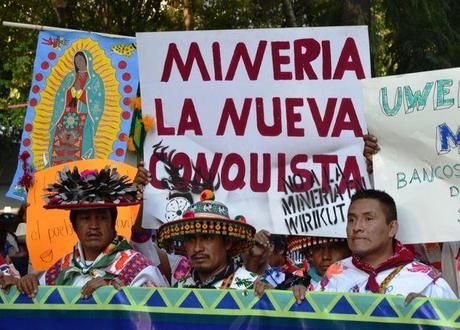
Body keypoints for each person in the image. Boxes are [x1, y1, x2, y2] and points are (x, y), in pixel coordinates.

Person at [17, 166, 168, 298]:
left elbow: (156, 317)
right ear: (74, 225)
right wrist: (23, 286)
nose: (94, 225)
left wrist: (120, 296)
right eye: (85, 218)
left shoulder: (139, 268)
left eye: (102, 217)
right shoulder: (58, 270)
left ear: (113, 222)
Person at [317, 189, 457, 301]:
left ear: (392, 228)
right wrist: (297, 301)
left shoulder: (425, 280)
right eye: (351, 219)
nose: (357, 227)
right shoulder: (335, 274)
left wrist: (432, 316)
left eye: (368, 219)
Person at [157, 189, 257, 289]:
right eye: (190, 239)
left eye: (206, 238)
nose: (197, 248)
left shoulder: (251, 286)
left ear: (227, 243)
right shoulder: (179, 289)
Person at [48, 51, 104, 165]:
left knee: (82, 147)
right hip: (66, 117)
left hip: (84, 118)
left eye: (81, 60)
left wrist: (82, 94)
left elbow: (98, 100)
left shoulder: (94, 79)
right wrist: (69, 92)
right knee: (60, 147)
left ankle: (82, 172)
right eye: (76, 60)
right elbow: (60, 95)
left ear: (87, 61)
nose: (78, 62)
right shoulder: (70, 76)